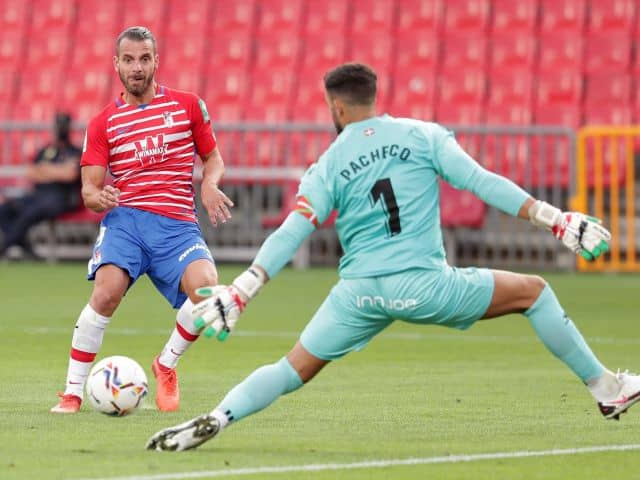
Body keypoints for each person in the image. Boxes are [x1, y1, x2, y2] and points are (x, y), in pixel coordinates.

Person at [146, 63, 638, 452]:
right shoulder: (423, 136)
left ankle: (221, 415)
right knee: (536, 292)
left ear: (336, 107)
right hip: (426, 287)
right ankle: (605, 388)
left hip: (358, 295)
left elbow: (292, 230)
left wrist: (243, 289)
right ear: (372, 99)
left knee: (291, 367)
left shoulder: (328, 164)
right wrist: (555, 218)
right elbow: (482, 181)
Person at [50, 26, 233, 414]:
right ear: (115, 64)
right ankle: (72, 392)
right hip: (127, 221)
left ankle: (166, 364)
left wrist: (209, 184)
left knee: (208, 292)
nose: (137, 67)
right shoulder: (103, 123)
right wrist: (100, 197)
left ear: (156, 61)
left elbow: (213, 158)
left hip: (177, 223)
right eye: (129, 59)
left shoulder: (187, 106)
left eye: (144, 59)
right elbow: (89, 189)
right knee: (106, 293)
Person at [0, 112, 81, 259]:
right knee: (4, 210)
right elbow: (31, 172)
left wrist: (45, 169)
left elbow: (70, 175)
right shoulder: (46, 151)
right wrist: (58, 170)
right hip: (39, 196)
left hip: (62, 198)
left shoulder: (75, 152)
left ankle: (5, 247)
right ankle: (24, 247)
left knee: (27, 214)